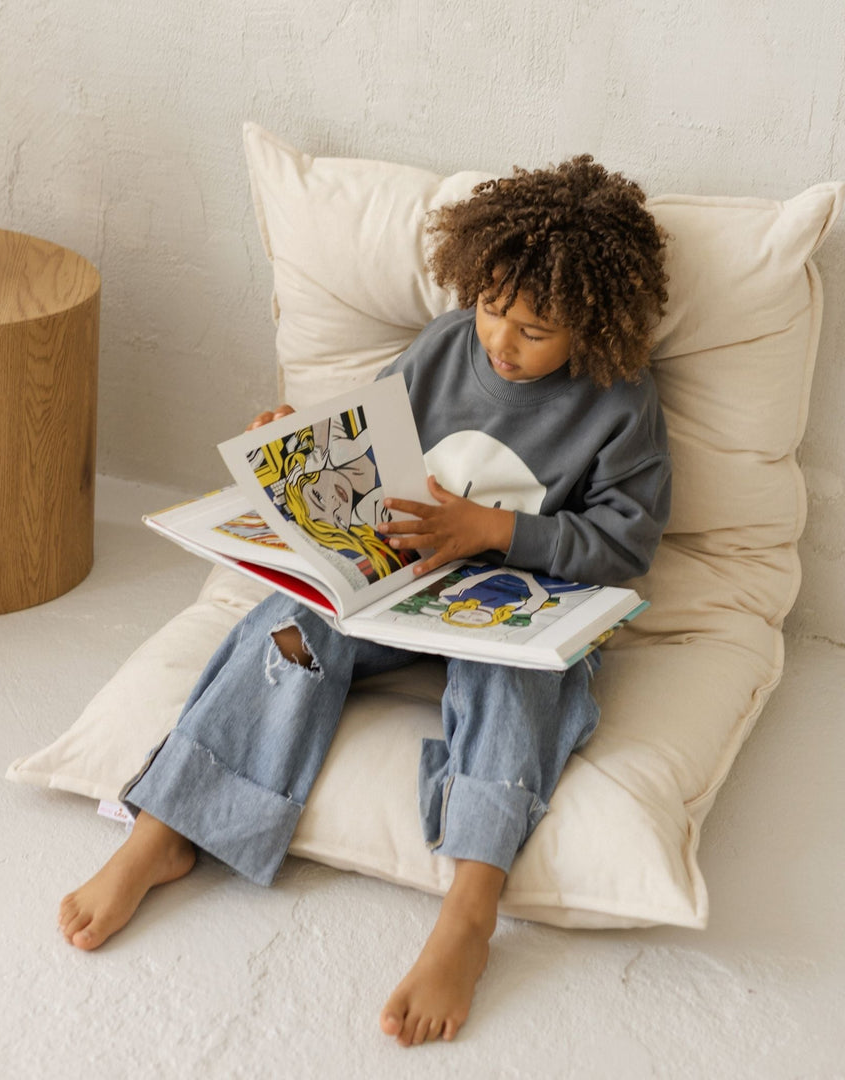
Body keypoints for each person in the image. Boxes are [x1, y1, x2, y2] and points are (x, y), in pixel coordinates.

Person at [57, 156, 672, 1047]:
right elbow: (366, 441)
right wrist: (294, 450)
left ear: (593, 323)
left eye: (536, 330)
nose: (503, 341)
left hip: (516, 604)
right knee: (290, 627)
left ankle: (468, 911)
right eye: (494, 309)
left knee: (519, 687)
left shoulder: (621, 404)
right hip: (399, 584)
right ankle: (170, 828)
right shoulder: (446, 346)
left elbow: (627, 544)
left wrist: (494, 533)